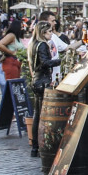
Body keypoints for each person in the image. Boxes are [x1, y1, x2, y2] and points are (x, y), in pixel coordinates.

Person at [27, 21, 62, 157]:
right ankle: (39, 146)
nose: (51, 34)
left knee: (37, 115)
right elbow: (45, 63)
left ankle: (35, 146)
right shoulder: (42, 45)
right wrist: (60, 61)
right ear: (42, 32)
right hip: (43, 81)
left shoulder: (33, 44)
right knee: (42, 116)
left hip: (37, 80)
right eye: (49, 31)